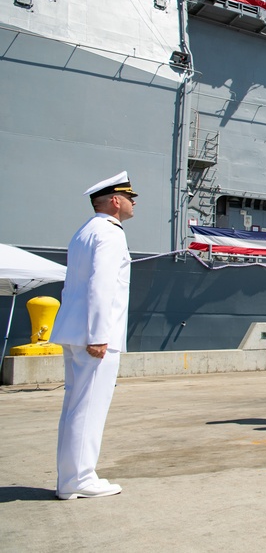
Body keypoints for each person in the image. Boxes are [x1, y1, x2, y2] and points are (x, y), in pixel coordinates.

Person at [51, 171, 137, 500]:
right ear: (115, 201)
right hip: (95, 337)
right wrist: (99, 334)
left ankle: (70, 477)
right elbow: (101, 285)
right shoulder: (112, 233)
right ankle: (80, 478)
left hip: (74, 331)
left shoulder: (84, 232)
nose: (133, 203)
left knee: (75, 406)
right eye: (130, 197)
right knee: (88, 408)